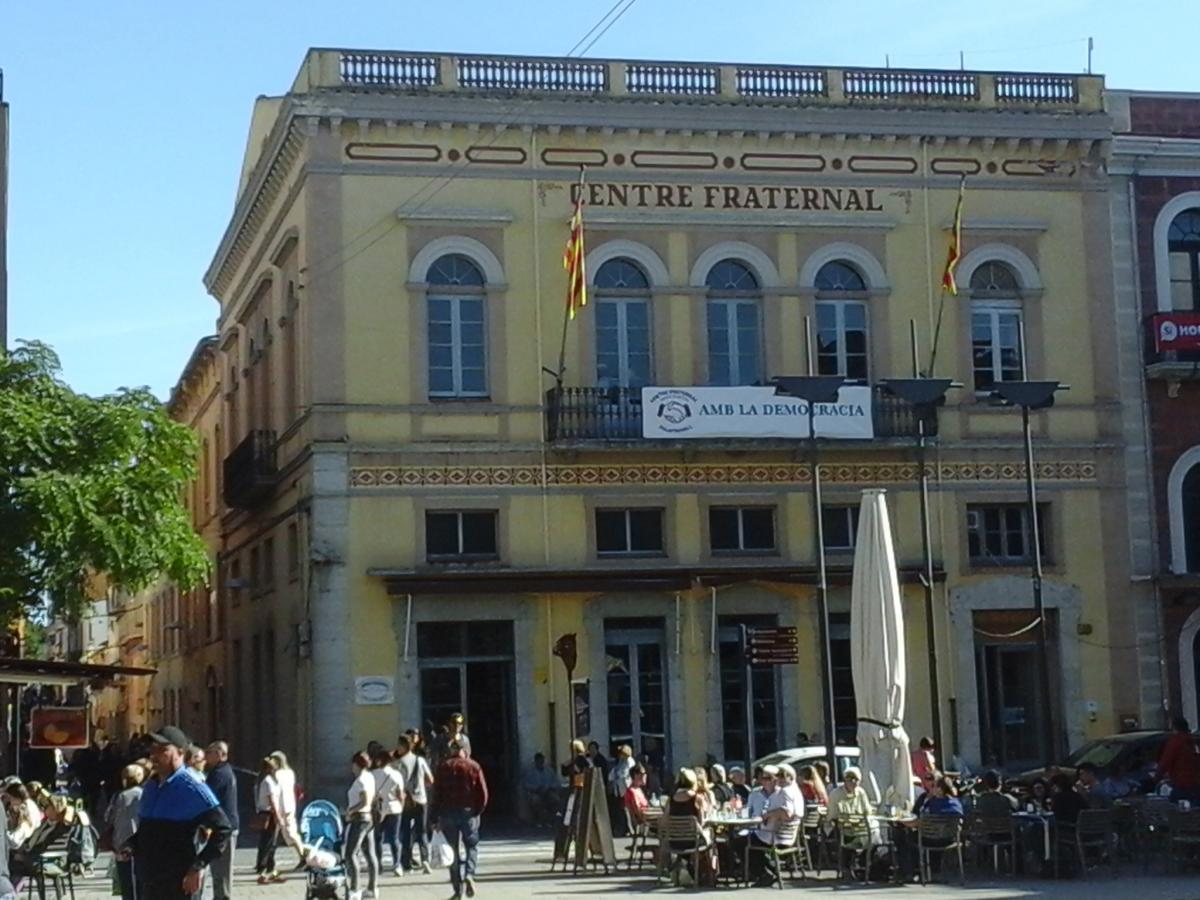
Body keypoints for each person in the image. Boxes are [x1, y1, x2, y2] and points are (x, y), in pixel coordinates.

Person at [131, 725, 232, 900]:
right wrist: (129, 844)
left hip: (177, 882)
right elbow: (149, 831)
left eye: (162, 750)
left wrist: (197, 866)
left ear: (180, 752)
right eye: (152, 750)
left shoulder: (192, 787)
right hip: (149, 879)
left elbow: (223, 829)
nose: (154, 755)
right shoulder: (151, 786)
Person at [433, 741, 489, 900]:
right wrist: (477, 811)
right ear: (465, 750)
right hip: (468, 812)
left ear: (452, 750)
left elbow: (437, 794)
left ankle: (458, 890)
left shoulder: (443, 767)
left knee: (452, 852)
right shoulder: (474, 766)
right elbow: (483, 793)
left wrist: (434, 817)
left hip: (447, 813)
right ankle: (470, 874)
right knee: (472, 846)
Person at [748, 765, 801, 886]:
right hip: (772, 833)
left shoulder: (783, 792)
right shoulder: (756, 794)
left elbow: (787, 813)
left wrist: (766, 815)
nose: (764, 781)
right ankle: (769, 871)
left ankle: (766, 873)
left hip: (774, 836)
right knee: (747, 839)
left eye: (768, 778)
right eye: (762, 778)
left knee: (742, 842)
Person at [204, 741, 239, 900]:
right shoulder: (223, 771)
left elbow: (209, 799)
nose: (206, 755)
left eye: (209, 752)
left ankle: (223, 897)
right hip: (226, 825)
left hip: (224, 827)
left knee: (221, 871)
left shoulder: (219, 774)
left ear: (219, 754)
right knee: (219, 870)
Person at [394, 735, 433, 874]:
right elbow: (430, 779)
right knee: (422, 831)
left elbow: (397, 784)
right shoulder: (420, 760)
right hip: (421, 799)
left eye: (398, 745)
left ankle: (407, 862)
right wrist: (421, 787)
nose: (397, 748)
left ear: (404, 746)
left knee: (405, 832)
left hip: (406, 802)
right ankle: (425, 860)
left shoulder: (398, 764)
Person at [345, 751, 380, 900]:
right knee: (370, 853)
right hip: (368, 818)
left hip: (359, 819)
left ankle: (355, 888)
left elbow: (364, 800)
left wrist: (350, 810)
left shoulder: (361, 780)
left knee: (351, 853)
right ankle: (372, 887)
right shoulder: (370, 777)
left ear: (356, 764)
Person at [106, 764, 144, 900]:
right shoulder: (144, 794)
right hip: (142, 845)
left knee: (126, 884)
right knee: (140, 884)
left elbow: (109, 817)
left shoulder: (119, 796)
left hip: (121, 843)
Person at [371, 750, 405, 875]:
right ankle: (397, 864)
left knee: (377, 838)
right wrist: (401, 806)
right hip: (394, 808)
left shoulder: (373, 774)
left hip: (379, 809)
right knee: (394, 838)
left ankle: (378, 865)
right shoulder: (396, 775)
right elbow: (400, 795)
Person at [268, 750, 305, 868]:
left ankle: (303, 855)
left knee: (285, 834)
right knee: (289, 833)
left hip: (281, 807)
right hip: (289, 806)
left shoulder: (277, 774)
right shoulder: (290, 773)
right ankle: (302, 855)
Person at [254, 756, 285, 885]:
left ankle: (272, 870)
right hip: (268, 814)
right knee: (266, 843)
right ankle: (262, 871)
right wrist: (278, 817)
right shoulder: (267, 781)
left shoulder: (273, 781)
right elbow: (272, 801)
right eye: (275, 768)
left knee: (272, 844)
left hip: (272, 813)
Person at [1157, 716, 1200, 804]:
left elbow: (1165, 762)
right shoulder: (1192, 742)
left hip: (1182, 785)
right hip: (1196, 785)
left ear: (1174, 727)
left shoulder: (1175, 743)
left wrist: (1155, 778)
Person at [522, 752, 561, 828]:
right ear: (535, 761)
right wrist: (536, 788)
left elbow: (556, 783)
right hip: (535, 792)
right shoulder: (530, 772)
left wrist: (549, 788)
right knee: (535, 800)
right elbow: (526, 784)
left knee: (555, 799)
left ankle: (550, 820)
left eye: (542, 761)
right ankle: (539, 820)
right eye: (539, 761)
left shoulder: (549, 771)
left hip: (548, 792)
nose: (541, 763)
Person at [3, 783, 42, 849]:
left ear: (17, 797)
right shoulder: (28, 804)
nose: (10, 803)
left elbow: (15, 842)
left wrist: (4, 833)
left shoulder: (26, 810)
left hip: (25, 848)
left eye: (10, 798)